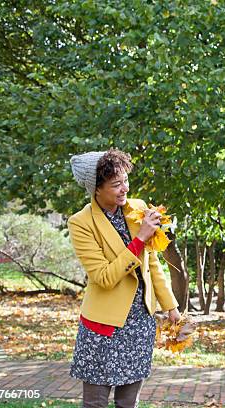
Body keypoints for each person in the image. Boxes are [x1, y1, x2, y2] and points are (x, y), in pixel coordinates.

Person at [68, 148, 181, 408]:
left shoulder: (137, 209)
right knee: (95, 403)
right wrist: (139, 239)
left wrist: (171, 307)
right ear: (96, 188)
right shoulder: (81, 223)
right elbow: (104, 277)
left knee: (128, 403)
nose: (124, 189)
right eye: (116, 184)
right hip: (102, 327)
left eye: (126, 181)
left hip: (140, 323)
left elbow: (152, 264)